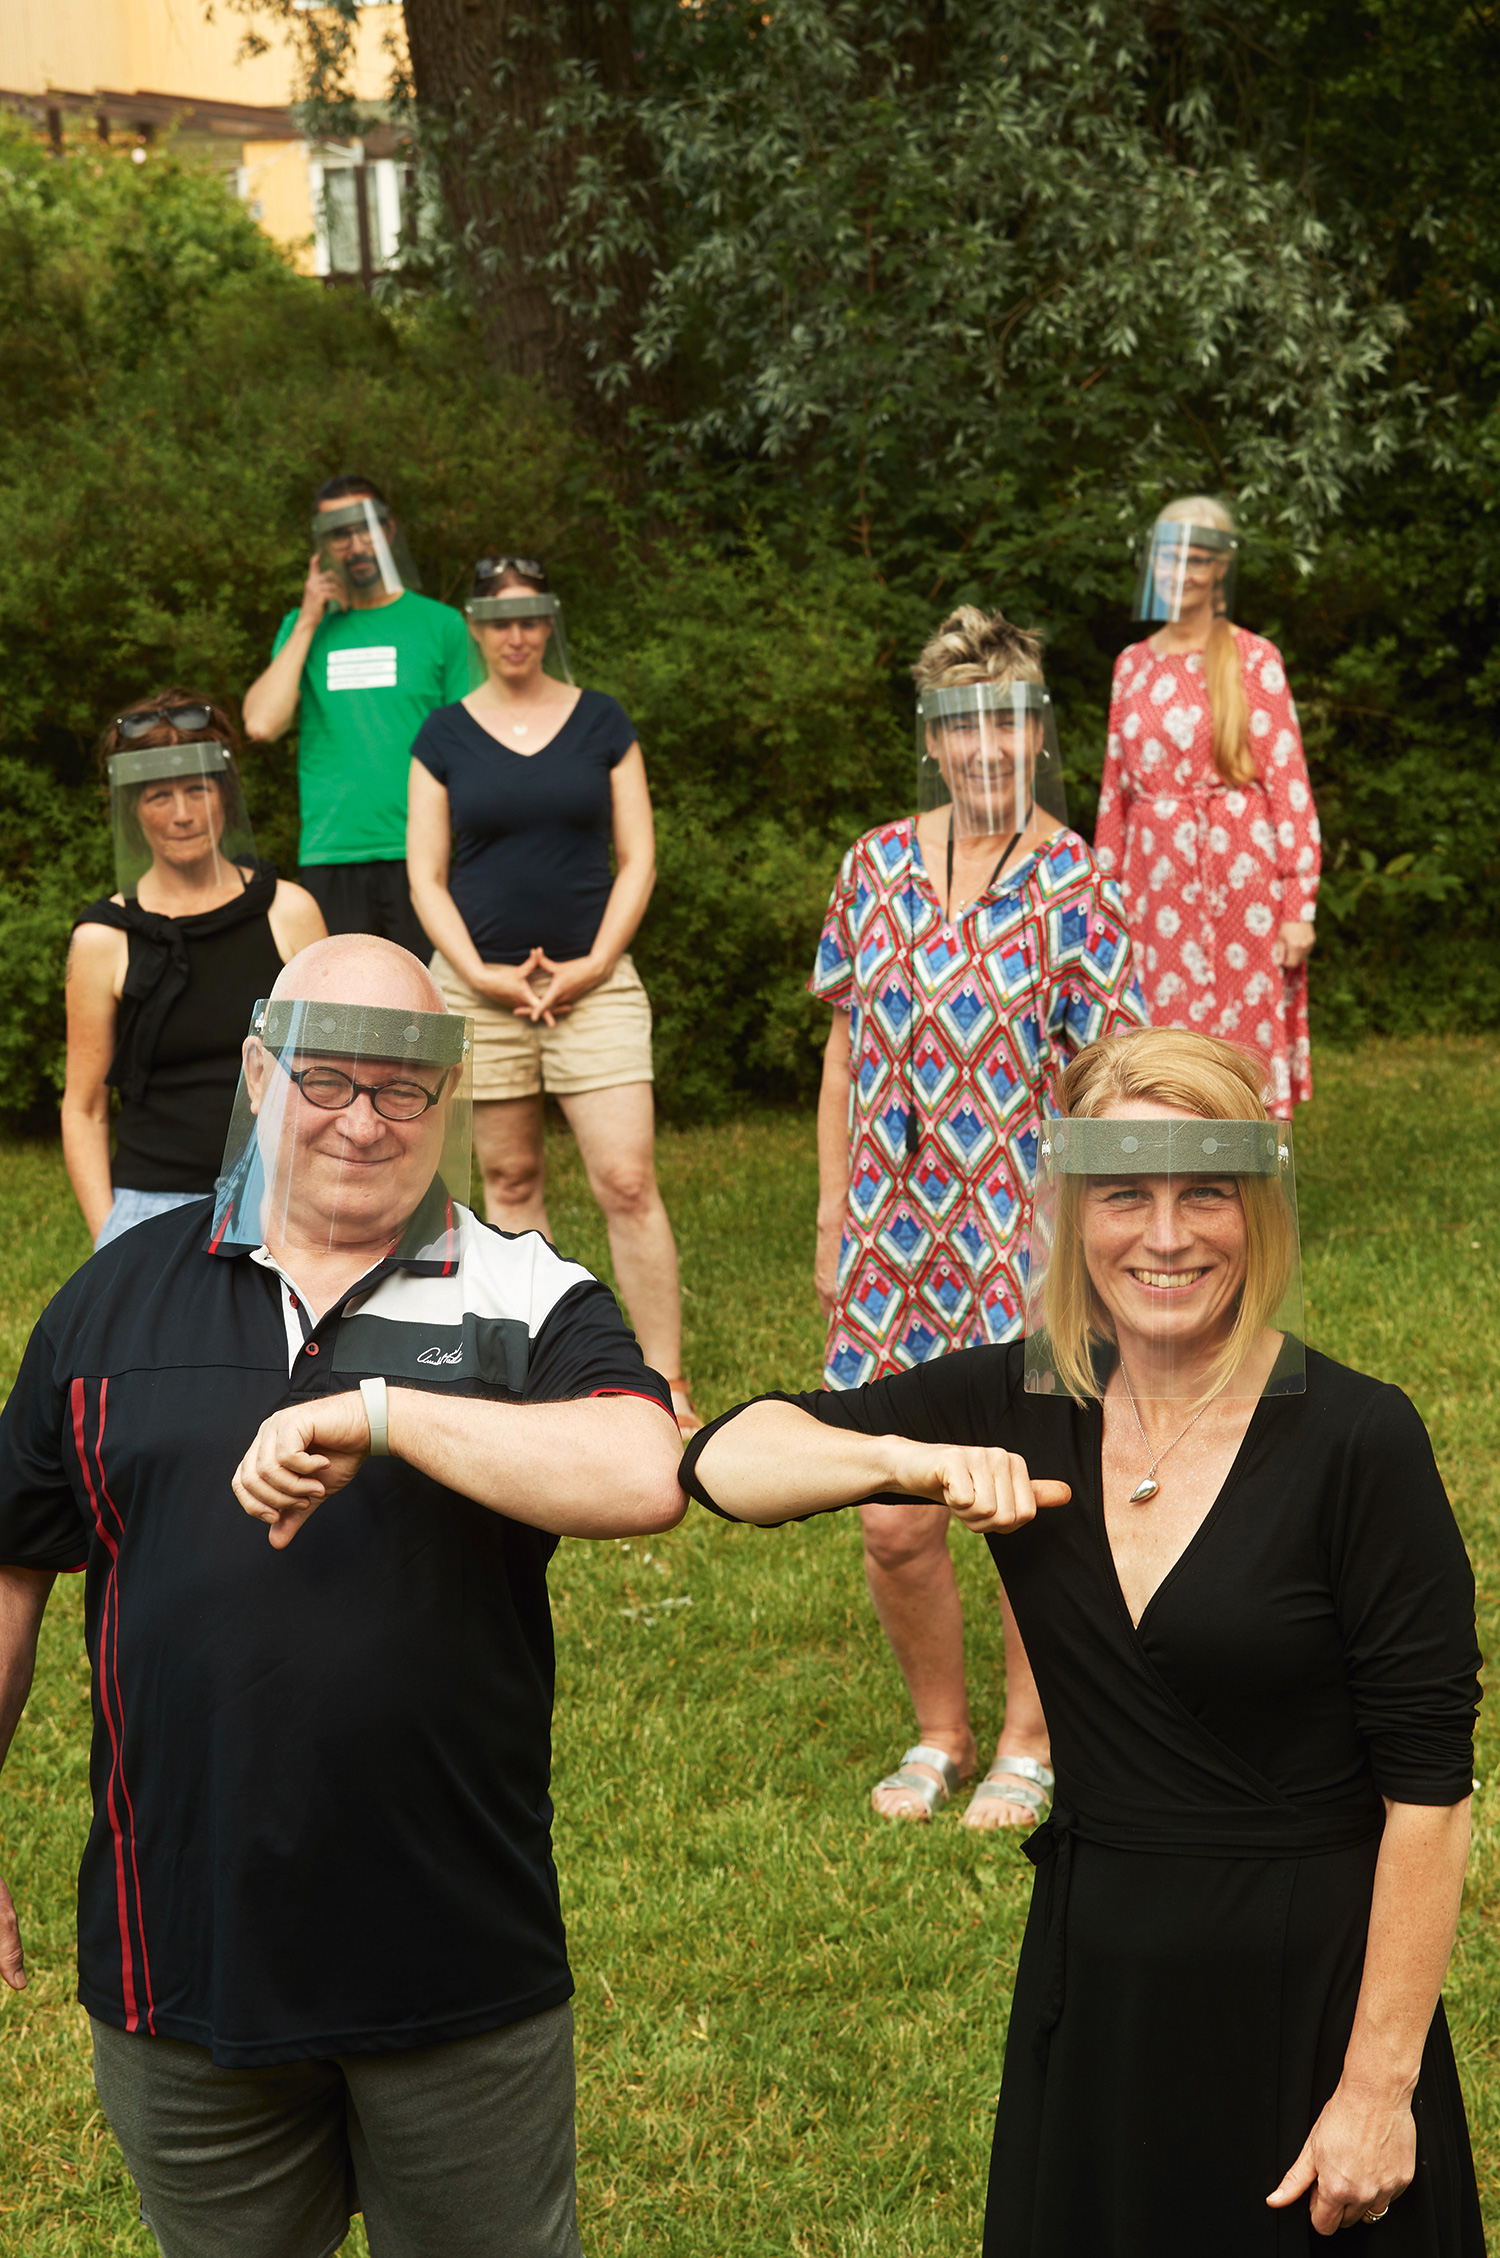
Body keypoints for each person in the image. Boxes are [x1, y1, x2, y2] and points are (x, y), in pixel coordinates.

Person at [681, 1026, 1482, 2256]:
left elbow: (1430, 1796)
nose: (1165, 1236)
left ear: (1256, 1207)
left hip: (1308, 2002)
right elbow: (725, 1459)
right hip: (1097, 1997)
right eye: (1126, 1195)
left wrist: (1379, 2089)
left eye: (1204, 1190)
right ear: (1073, 1209)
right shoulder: (1022, 1398)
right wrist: (908, 1458)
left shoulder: (1361, 1440)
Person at [0, 933, 683, 2258]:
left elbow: (643, 1465)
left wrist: (381, 1410)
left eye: (404, 1086)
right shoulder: (111, 1307)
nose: (365, 1120)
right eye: (328, 1079)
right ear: (261, 1072)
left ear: (447, 1096)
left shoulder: (522, 1294)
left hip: (456, 1967)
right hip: (179, 1966)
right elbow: (14, 1558)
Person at [811, 607, 1146, 1826]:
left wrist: (1088, 1242)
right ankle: (939, 1732)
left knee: (1027, 1503)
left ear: (1037, 732)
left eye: (1006, 725)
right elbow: (847, 1048)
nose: (985, 751)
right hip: (891, 1245)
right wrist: (830, 1220)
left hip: (1024, 1235)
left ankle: (1029, 1739)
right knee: (896, 1514)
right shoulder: (873, 863)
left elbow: (1111, 1080)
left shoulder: (1078, 878)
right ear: (936, 739)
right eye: (962, 728)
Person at [406, 553, 702, 1438]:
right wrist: (482, 976)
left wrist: (594, 964)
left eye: (532, 617)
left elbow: (639, 857)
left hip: (595, 986)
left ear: (550, 621)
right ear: (476, 627)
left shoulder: (602, 721)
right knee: (509, 1176)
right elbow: (423, 874)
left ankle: (665, 1383)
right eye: (500, 619)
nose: (517, 634)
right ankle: (526, 1378)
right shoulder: (443, 735)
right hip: (478, 988)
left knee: (627, 1178)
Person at [62, 690, 325, 1249]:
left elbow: (338, 1070)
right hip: (151, 1204)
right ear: (132, 808)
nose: (182, 814)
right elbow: (83, 1108)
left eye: (197, 789)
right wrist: (110, 1236)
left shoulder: (289, 911)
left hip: (282, 1193)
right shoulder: (104, 937)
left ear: (225, 795)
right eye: (158, 796)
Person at [1096, 495, 1322, 1115]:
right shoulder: (1132, 665)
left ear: (1222, 568)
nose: (1183, 572)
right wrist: (1103, 895)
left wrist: (1297, 904)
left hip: (1242, 887)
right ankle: (1170, 1182)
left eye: (1198, 559)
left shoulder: (1253, 658)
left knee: (1242, 1046)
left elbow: (1289, 785)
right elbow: (1115, 791)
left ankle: (1251, 1194)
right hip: (1153, 888)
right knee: (1160, 1053)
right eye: (1171, 557)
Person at [243, 474, 470, 956]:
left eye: (365, 528)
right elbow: (261, 723)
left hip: (423, 853)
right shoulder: (306, 626)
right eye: (339, 533)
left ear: (389, 530)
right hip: (333, 850)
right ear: (323, 545)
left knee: (427, 1013)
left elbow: (473, 745)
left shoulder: (441, 624)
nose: (355, 544)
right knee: (340, 1017)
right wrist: (307, 618)